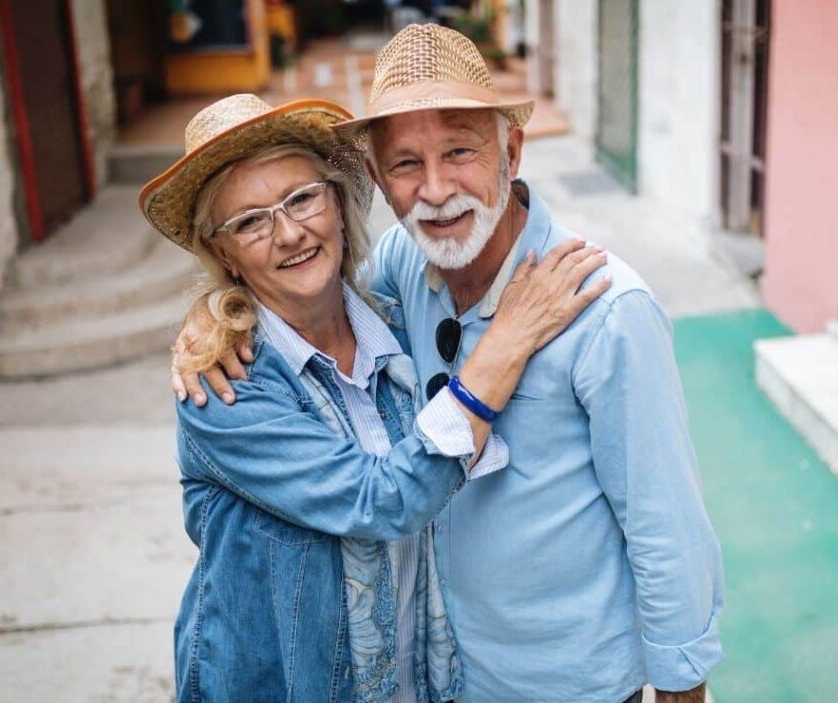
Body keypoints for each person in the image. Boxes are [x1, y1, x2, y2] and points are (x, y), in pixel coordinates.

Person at [174, 25, 724, 703]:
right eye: (406, 163)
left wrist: (682, 678)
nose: (435, 190)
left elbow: (664, 518)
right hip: (445, 676)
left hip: (564, 683)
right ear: (376, 178)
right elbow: (304, 298)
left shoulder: (605, 309)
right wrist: (215, 315)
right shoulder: (403, 270)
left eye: (460, 150)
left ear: (511, 151)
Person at [140, 93, 610, 702]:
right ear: (223, 252)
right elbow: (382, 499)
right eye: (251, 221)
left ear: (336, 202)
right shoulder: (227, 385)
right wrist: (506, 342)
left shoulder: (394, 324)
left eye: (301, 198)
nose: (289, 233)